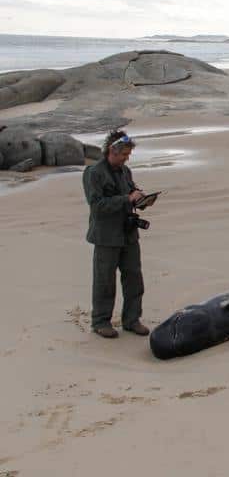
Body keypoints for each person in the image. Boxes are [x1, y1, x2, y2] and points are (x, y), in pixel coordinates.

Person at [82, 129, 150, 338]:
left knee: (134, 278)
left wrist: (142, 200)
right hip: (106, 236)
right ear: (112, 150)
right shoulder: (94, 173)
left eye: (128, 155)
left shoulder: (125, 171)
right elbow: (97, 206)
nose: (126, 158)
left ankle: (132, 319)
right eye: (124, 155)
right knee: (105, 280)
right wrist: (127, 199)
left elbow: (130, 195)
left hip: (128, 234)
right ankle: (101, 322)